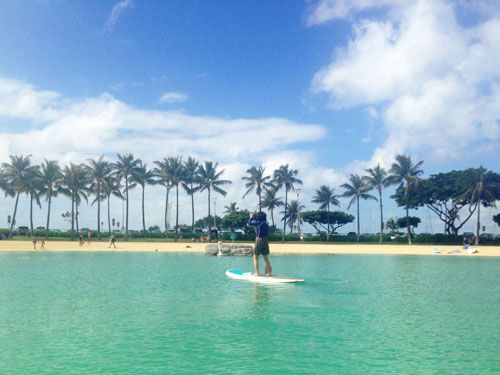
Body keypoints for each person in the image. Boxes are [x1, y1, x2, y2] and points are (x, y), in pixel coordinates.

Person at [248, 211, 272, 276]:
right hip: (265, 240)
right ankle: (269, 273)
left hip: (259, 239)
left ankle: (257, 273)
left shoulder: (258, 223)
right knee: (266, 257)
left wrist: (251, 217)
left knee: (255, 256)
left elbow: (249, 223)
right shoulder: (266, 224)